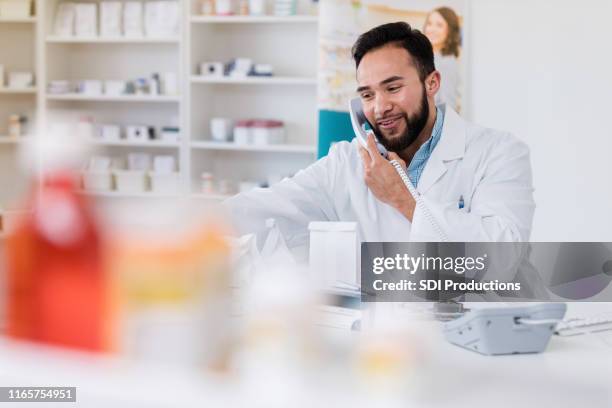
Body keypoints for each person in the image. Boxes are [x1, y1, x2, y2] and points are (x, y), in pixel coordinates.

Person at [224, 22, 534, 251]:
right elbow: (271, 206)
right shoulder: (346, 161)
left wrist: (401, 198)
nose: (380, 107)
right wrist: (186, 221)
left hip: (467, 328)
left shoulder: (499, 152)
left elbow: (505, 252)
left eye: (393, 88)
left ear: (432, 83)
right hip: (380, 330)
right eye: (367, 94)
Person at [423, 7, 462, 111]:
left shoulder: (446, 63)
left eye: (439, 25)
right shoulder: (429, 56)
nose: (431, 29)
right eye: (429, 23)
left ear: (450, 31)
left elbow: (448, 108)